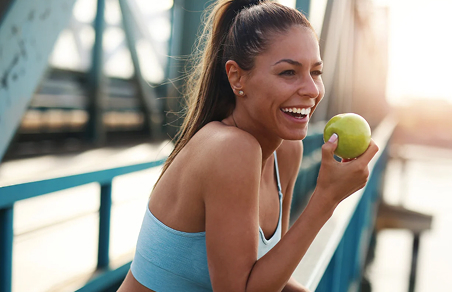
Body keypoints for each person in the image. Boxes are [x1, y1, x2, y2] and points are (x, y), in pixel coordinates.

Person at [117, 0, 378, 291]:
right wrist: (326, 199)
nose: (311, 90)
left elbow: (266, 274)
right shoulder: (230, 149)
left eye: (315, 72)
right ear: (237, 77)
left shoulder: (287, 152)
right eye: (288, 73)